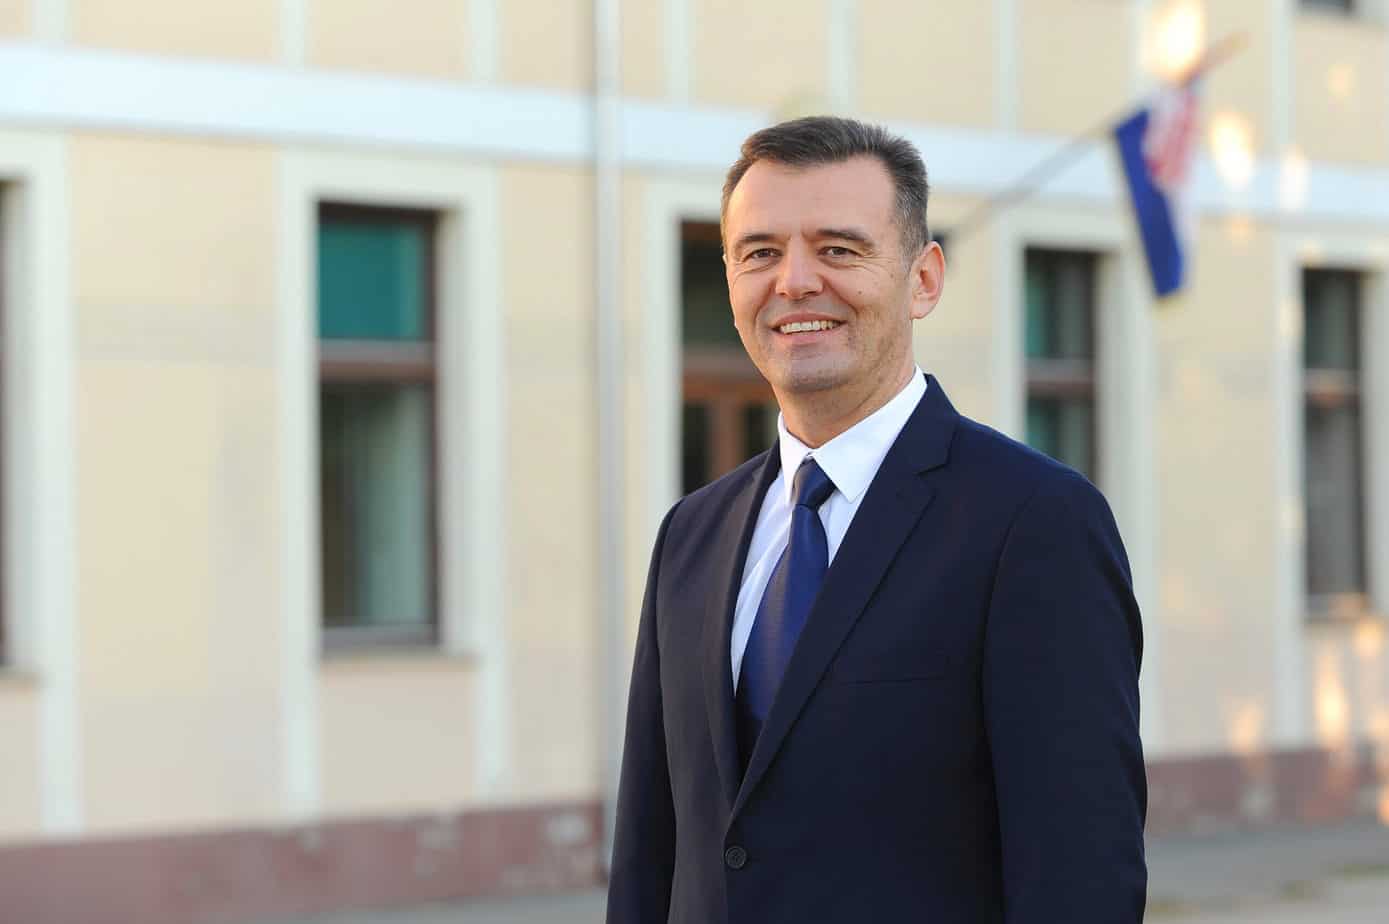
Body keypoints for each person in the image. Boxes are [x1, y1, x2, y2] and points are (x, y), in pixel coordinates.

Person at [607, 116, 1147, 923]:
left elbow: (1080, 875)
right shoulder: (691, 534)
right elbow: (649, 854)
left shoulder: (1034, 523)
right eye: (759, 253)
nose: (793, 282)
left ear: (922, 280)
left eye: (837, 249)